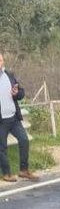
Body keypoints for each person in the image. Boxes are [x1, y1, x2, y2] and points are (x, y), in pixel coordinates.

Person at [0, 53, 38, 182]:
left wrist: (17, 93)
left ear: (3, 61)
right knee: (2, 147)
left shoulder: (9, 76)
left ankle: (23, 170)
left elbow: (21, 93)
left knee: (24, 140)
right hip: (1, 121)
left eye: (0, 60)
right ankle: (6, 173)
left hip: (14, 118)